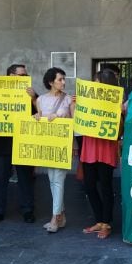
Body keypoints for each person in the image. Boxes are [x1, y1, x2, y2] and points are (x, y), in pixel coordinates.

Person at [0, 64, 37, 225]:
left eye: (25, 75)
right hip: (1, 144)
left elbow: (41, 113)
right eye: (21, 75)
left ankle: (27, 210)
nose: (24, 78)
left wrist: (34, 98)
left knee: (25, 179)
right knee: (0, 179)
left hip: (24, 143)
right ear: (10, 76)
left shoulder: (31, 94)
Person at [81, 69, 121, 239]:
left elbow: (119, 132)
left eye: (97, 82)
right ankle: (99, 220)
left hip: (105, 147)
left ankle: (107, 223)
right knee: (89, 186)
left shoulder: (116, 103)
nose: (94, 85)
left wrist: (119, 113)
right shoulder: (87, 101)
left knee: (105, 187)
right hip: (90, 145)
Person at [37, 67, 76, 233]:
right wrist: (37, 118)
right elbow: (39, 119)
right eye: (60, 79)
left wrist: (63, 116)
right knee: (52, 179)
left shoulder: (69, 99)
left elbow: (75, 122)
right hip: (48, 145)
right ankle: (61, 215)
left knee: (58, 180)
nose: (63, 82)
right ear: (50, 82)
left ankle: (55, 217)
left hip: (62, 144)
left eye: (64, 79)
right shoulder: (40, 100)